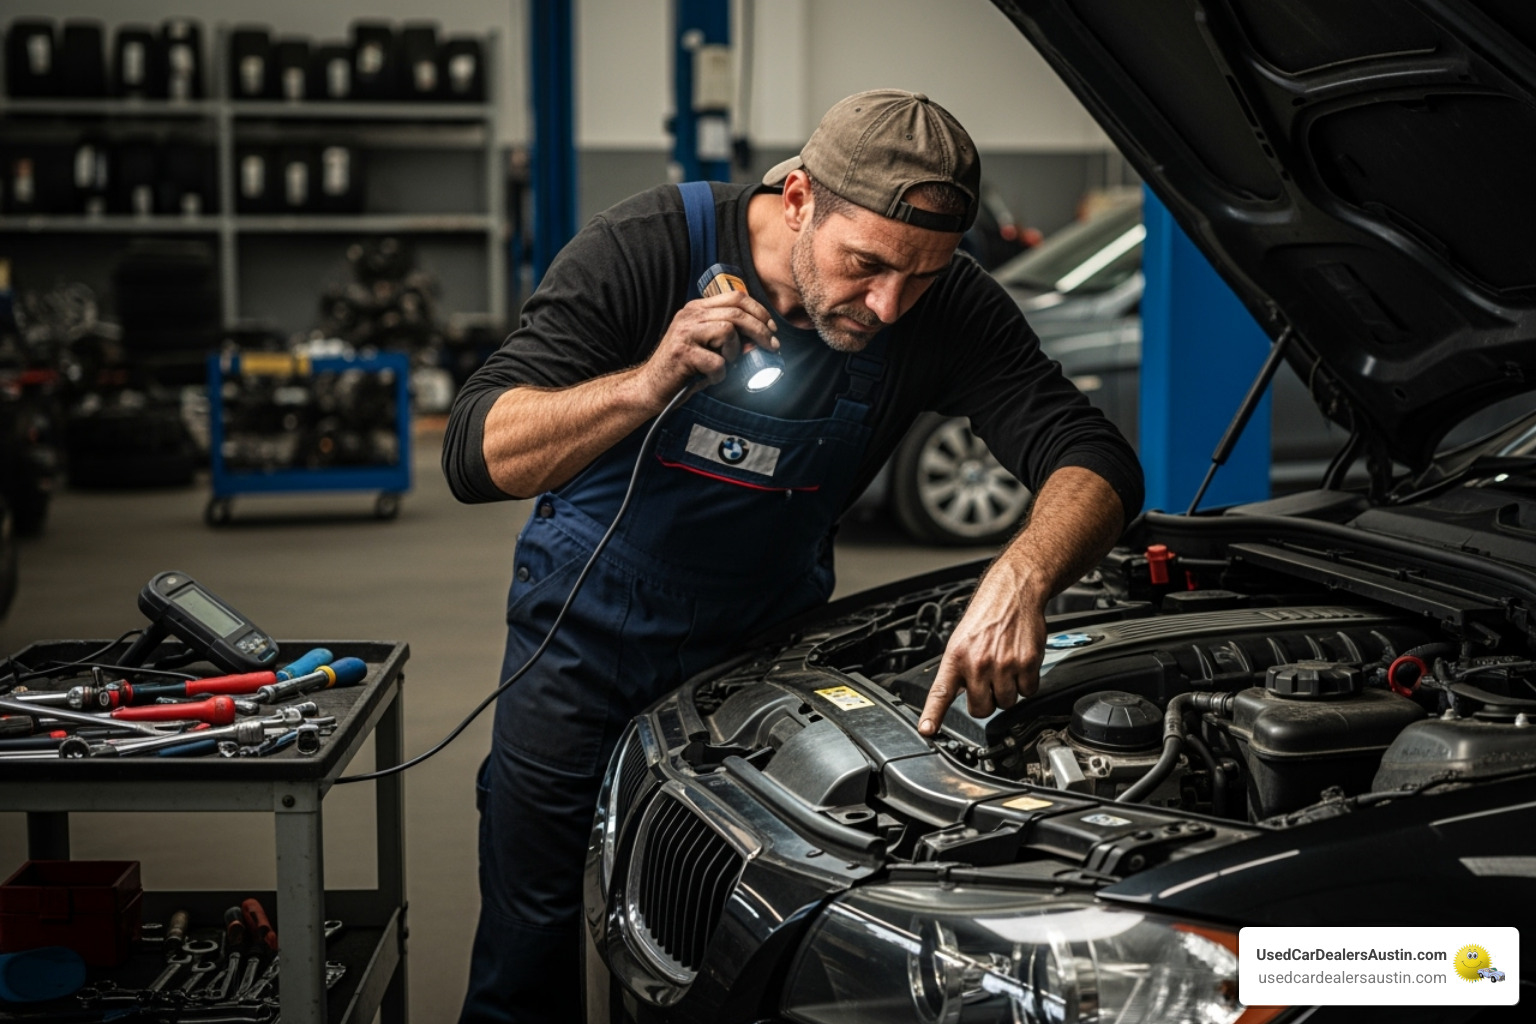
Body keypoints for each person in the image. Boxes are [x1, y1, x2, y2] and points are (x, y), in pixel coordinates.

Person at [442, 89, 1143, 1023]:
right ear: (801, 196)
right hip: (581, 640)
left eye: (924, 276)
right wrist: (646, 383)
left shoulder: (942, 307)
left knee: (722, 943)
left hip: (762, 660)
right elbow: (475, 453)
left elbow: (1092, 456)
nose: (891, 305)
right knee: (528, 937)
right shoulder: (647, 244)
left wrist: (1021, 573)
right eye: (867, 265)